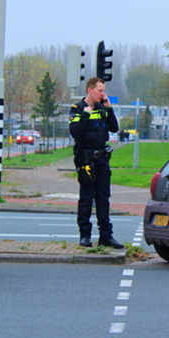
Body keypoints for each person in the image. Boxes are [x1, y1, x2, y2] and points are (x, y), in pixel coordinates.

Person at [69, 77, 123, 249]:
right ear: (90, 90)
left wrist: (109, 109)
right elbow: (75, 132)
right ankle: (85, 235)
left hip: (102, 158)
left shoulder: (102, 108)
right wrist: (86, 113)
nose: (102, 94)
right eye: (99, 91)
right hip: (86, 158)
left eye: (103, 90)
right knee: (86, 197)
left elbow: (114, 128)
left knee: (103, 197)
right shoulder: (77, 109)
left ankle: (106, 236)